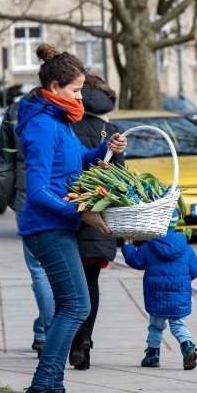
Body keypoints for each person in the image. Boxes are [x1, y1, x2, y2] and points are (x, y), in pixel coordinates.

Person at [16, 43, 127, 393]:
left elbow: (75, 163)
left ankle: (51, 387)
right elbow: (38, 190)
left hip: (58, 225)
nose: (81, 96)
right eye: (76, 90)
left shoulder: (60, 121)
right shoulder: (42, 125)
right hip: (46, 228)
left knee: (72, 305)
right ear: (55, 86)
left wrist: (105, 150)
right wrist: (80, 212)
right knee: (77, 305)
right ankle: (43, 386)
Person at [67, 74, 124, 371]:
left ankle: (74, 343)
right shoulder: (112, 131)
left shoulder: (65, 123)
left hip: (67, 215)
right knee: (90, 284)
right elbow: (120, 180)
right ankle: (84, 342)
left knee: (67, 288)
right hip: (100, 217)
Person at [0, 91, 54, 358]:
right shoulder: (72, 107)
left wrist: (13, 196)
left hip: (26, 196)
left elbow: (4, 160)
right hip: (67, 196)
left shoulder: (17, 110)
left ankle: (46, 330)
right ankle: (46, 330)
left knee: (40, 269)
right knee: (60, 269)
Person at [121, 209, 197, 371]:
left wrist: (128, 246)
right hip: (178, 295)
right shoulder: (186, 248)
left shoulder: (148, 246)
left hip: (157, 295)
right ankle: (187, 346)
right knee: (178, 324)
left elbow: (135, 262)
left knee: (156, 326)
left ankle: (152, 355)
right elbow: (194, 271)